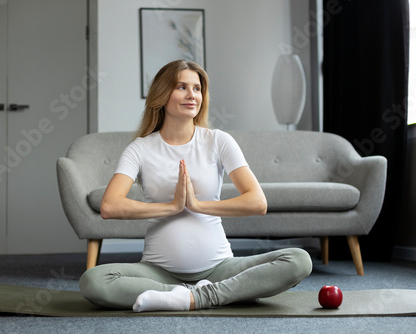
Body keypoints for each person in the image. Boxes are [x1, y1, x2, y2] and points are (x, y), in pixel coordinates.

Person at [79, 59, 312, 312]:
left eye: (197, 88)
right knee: (93, 281)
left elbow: (257, 202)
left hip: (220, 268)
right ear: (161, 94)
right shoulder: (140, 148)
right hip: (158, 272)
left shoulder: (218, 141)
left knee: (298, 260)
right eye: (181, 87)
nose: (192, 95)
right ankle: (209, 295)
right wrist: (172, 207)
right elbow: (110, 206)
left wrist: (198, 205)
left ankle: (192, 298)